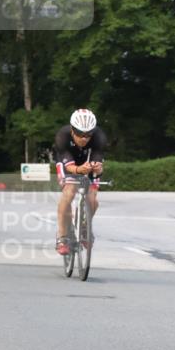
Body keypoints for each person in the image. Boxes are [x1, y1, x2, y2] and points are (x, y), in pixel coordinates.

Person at [54, 109, 107, 254]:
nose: (84, 138)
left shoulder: (99, 137)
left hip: (87, 162)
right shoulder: (62, 136)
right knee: (69, 192)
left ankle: (84, 227)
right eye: (79, 134)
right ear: (72, 130)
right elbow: (70, 167)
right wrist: (79, 170)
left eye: (88, 134)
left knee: (92, 199)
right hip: (68, 162)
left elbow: (98, 168)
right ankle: (62, 236)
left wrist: (97, 169)